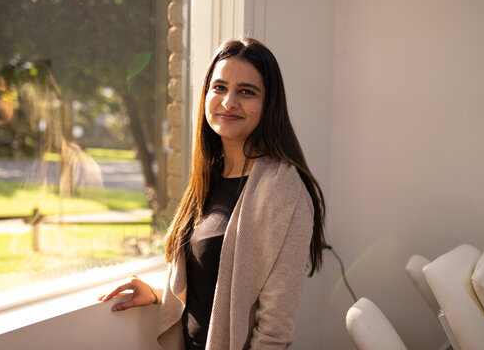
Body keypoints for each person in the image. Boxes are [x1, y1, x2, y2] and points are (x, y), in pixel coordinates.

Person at [99, 37, 326, 349]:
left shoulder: (284, 190)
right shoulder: (210, 175)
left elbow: (274, 333)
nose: (229, 102)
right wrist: (157, 294)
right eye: (219, 87)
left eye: (247, 92)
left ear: (268, 103)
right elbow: (216, 291)